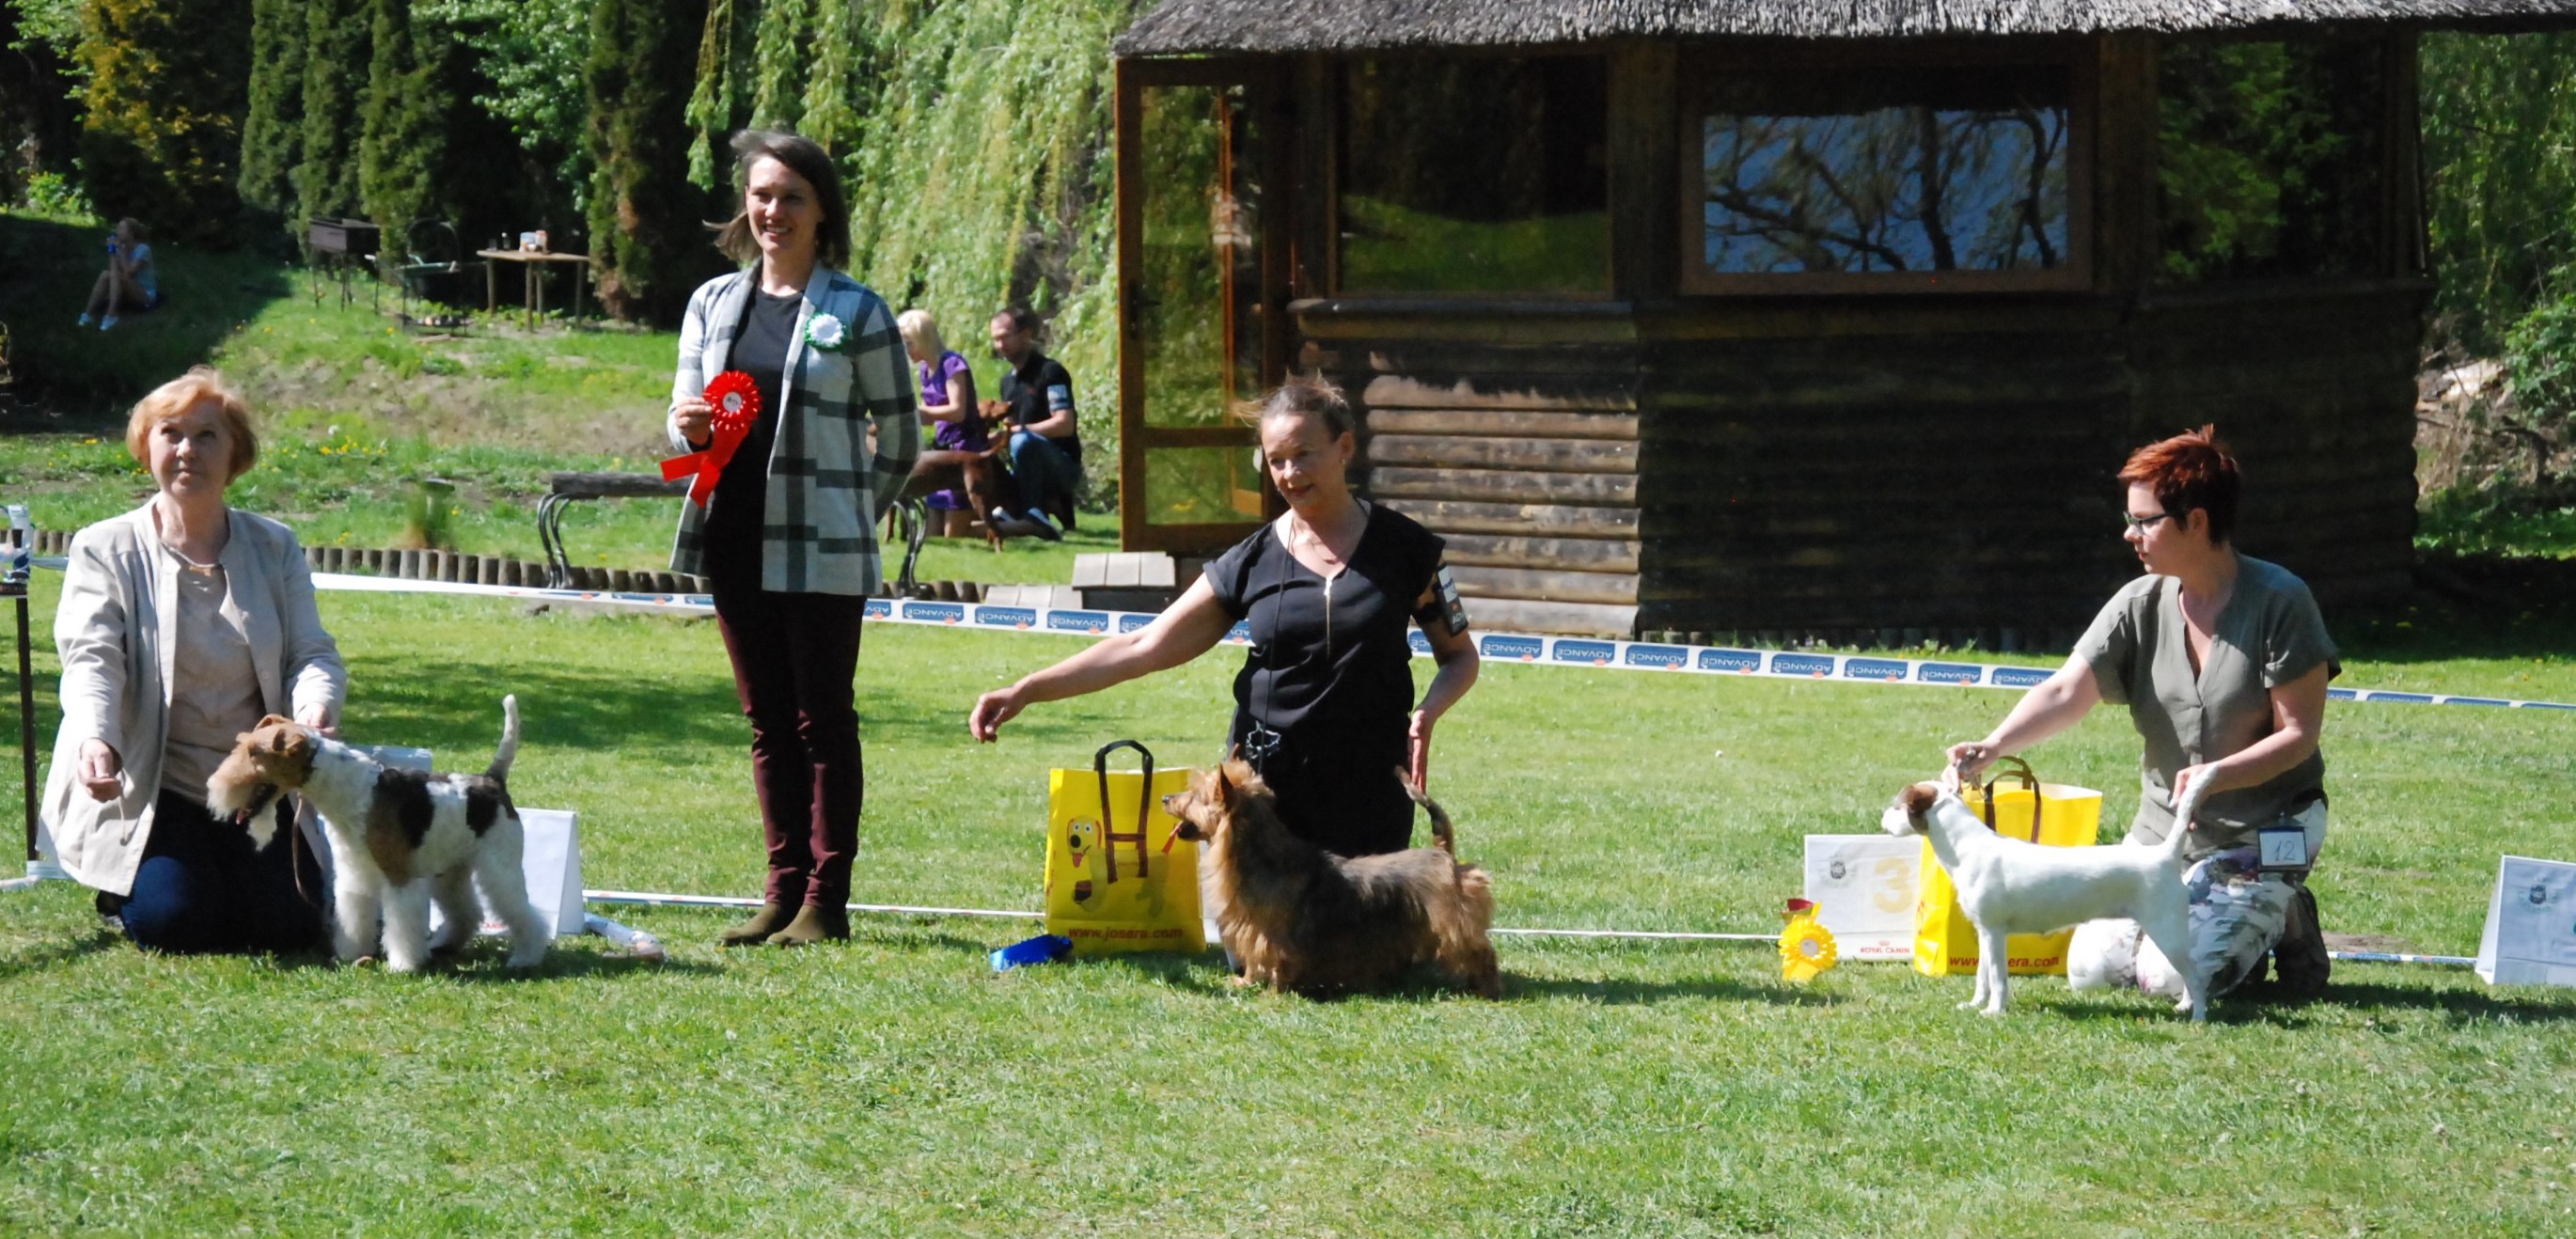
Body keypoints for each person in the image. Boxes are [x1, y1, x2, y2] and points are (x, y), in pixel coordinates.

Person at [970, 378, 1479, 859]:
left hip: (1372, 791)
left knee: (1368, 928)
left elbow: (1460, 658)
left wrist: (1428, 712)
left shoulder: (1409, 550)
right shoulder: (1251, 560)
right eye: (1276, 460)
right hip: (1265, 796)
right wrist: (1027, 689)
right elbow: (1142, 646)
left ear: (1344, 447)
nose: (1290, 474)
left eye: (1304, 455)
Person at [1947, 426, 2336, 999]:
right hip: (2160, 837)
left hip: (2263, 828)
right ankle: (2230, 918)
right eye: (2129, 519)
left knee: (2171, 978)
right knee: (2094, 974)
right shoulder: (2138, 603)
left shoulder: (2281, 601)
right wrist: (1994, 745)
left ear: (2196, 521)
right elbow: (2066, 692)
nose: (2129, 534)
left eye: (2144, 521)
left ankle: (2286, 912)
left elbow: (2298, 735)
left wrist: (2217, 775)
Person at [667, 130, 920, 948]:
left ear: (821, 212)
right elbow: (682, 423)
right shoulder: (711, 303)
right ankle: (780, 894)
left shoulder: (859, 311)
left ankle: (825, 902)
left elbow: (902, 441)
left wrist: (850, 509)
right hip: (732, 540)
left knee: (823, 723)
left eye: (792, 198)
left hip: (823, 552)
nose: (773, 211)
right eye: (762, 195)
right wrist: (686, 428)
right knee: (768, 725)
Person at [42, 366, 344, 954]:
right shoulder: (103, 547)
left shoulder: (275, 545)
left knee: (292, 926)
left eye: (207, 436)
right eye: (171, 433)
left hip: (254, 786)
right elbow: (92, 659)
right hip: (156, 786)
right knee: (175, 923)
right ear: (146, 447)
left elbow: (312, 652)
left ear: (235, 454)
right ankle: (130, 889)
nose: (187, 450)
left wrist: (314, 706)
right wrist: (96, 737)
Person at [987, 307, 1079, 541]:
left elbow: (1065, 424)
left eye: (1005, 337)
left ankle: (1033, 515)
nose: (1000, 345)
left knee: (1022, 441)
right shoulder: (1006, 382)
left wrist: (1017, 432)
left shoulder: (1051, 372)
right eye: (996, 339)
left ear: (1026, 334)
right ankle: (1013, 511)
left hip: (1062, 464)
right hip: (1024, 463)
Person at [896, 308, 989, 539]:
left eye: (908, 343)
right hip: (942, 452)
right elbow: (931, 417)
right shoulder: (925, 370)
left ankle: (1021, 526)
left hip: (964, 451)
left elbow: (957, 412)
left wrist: (920, 411)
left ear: (923, 339)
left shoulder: (952, 364)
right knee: (933, 535)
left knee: (954, 535)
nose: (905, 350)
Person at [79, 217, 162, 331]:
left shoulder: (143, 249)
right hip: (126, 288)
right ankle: (87, 314)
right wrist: (112, 252)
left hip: (144, 294)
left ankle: (111, 315)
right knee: (105, 274)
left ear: (131, 233)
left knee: (118, 276)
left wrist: (122, 253)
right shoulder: (120, 248)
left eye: (121, 229)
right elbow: (113, 272)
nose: (117, 232)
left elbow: (129, 274)